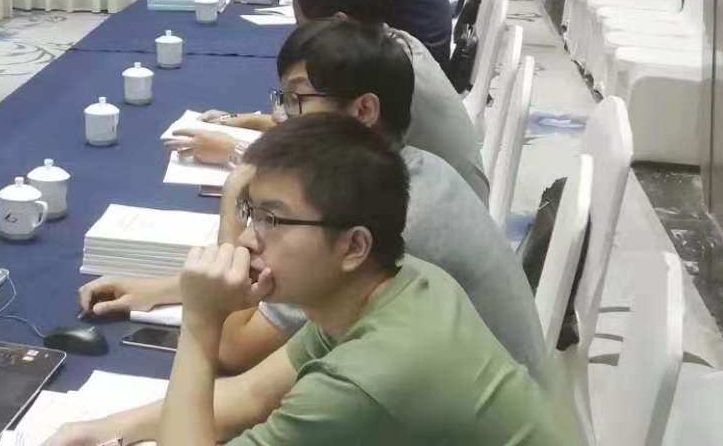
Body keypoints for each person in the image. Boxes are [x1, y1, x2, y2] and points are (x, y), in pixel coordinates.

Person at [76, 21, 543, 388]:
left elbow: (233, 349)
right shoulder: (408, 168)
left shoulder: (380, 219)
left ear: (364, 110)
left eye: (297, 99)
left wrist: (235, 201)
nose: (281, 116)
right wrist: (164, 289)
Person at [55, 116, 559, 446]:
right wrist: (105, 429)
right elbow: (252, 395)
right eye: (252, 214)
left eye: (272, 220)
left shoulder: (369, 377)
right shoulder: (388, 283)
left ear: (353, 246)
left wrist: (201, 323)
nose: (247, 239)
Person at [172, 0, 487, 203]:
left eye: (303, 26)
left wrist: (236, 153)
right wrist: (238, 121)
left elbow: (325, 170)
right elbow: (320, 127)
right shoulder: (387, 42)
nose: (300, 36)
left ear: (338, 21)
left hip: (426, 208)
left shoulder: (379, 72)